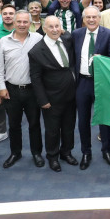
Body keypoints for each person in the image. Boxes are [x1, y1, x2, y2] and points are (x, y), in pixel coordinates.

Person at [0, 10, 44, 169]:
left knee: (34, 123)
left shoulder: (38, 38)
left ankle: (36, 153)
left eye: (25, 22)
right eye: (19, 22)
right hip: (11, 90)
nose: (22, 25)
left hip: (33, 90)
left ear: (30, 23)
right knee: (14, 124)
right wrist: (1, 88)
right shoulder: (3, 41)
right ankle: (15, 152)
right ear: (14, 23)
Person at [29, 16, 79, 172]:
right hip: (51, 98)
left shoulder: (66, 38)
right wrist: (43, 100)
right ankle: (53, 156)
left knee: (69, 127)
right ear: (44, 29)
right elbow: (35, 78)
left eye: (57, 26)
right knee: (52, 130)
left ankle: (66, 152)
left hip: (71, 95)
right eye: (50, 27)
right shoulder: (36, 51)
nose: (55, 29)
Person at [72, 6, 110, 170]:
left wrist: (103, 59)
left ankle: (106, 150)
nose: (91, 20)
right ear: (84, 19)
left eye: (94, 17)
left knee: (104, 119)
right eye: (88, 17)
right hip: (82, 83)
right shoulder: (76, 35)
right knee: (83, 120)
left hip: (100, 83)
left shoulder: (109, 34)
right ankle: (86, 152)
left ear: (99, 18)